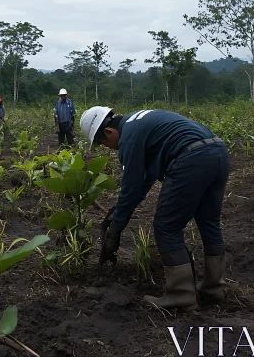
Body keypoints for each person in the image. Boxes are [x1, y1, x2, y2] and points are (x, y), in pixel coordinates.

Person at [79, 106, 230, 310]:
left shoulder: (128, 139)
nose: (109, 148)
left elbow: (130, 189)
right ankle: (214, 289)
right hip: (217, 152)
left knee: (166, 226)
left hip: (190, 158)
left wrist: (115, 230)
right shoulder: (138, 121)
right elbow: (145, 180)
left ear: (109, 132)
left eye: (104, 144)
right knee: (209, 221)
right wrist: (117, 212)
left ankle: (181, 295)